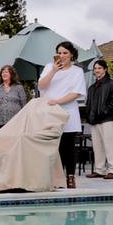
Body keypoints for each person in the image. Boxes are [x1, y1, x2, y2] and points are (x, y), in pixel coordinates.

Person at [38, 41, 87, 189]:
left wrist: (57, 101)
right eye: (59, 53)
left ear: (71, 54)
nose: (62, 56)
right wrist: (53, 71)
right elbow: (41, 86)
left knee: (69, 146)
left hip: (68, 112)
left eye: (65, 53)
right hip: (50, 113)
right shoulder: (49, 67)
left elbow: (76, 93)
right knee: (53, 146)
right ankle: (55, 179)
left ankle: (70, 177)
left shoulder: (77, 71)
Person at [85, 59, 113, 180]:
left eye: (99, 68)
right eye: (95, 68)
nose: (97, 70)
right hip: (94, 121)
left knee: (109, 145)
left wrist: (105, 111)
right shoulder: (91, 87)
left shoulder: (112, 83)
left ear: (105, 69)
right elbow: (88, 104)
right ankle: (99, 170)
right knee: (97, 147)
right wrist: (89, 116)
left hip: (107, 119)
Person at [0, 64, 27, 135]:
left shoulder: (19, 88)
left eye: (6, 72)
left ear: (11, 74)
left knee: (12, 143)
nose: (4, 73)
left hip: (15, 122)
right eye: (3, 72)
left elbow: (24, 106)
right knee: (1, 144)